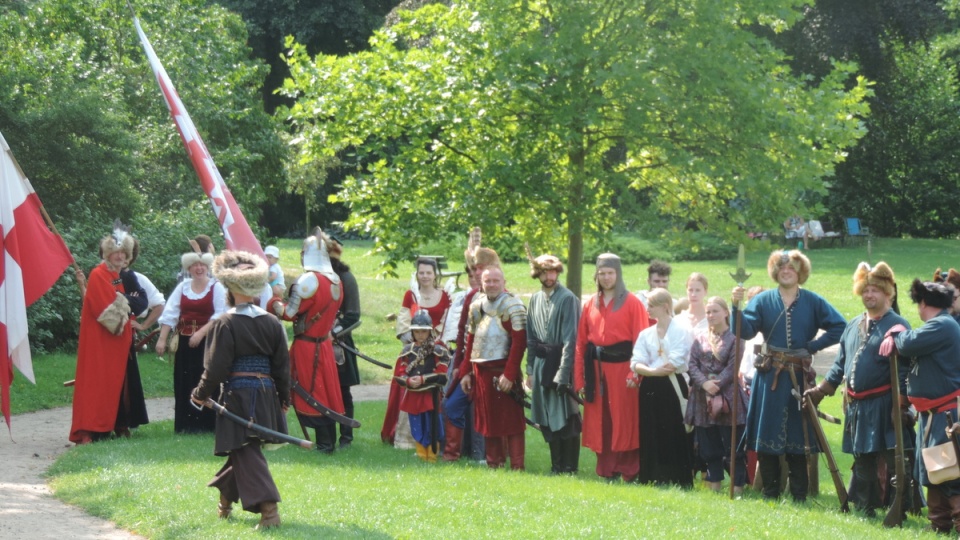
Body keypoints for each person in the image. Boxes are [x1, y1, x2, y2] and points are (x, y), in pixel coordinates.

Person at [731, 249, 845, 502]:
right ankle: (770, 494)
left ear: (800, 272)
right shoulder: (762, 301)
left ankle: (799, 496)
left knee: (799, 435)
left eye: (792, 267)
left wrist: (812, 346)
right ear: (775, 271)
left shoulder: (813, 301)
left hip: (798, 376)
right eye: (782, 267)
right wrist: (736, 307)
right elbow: (745, 331)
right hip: (769, 376)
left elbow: (840, 326)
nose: (786, 271)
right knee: (767, 433)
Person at [190, 250, 290, 530]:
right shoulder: (271, 321)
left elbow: (216, 368)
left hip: (239, 396)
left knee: (247, 452)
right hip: (266, 394)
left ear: (229, 289)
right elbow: (283, 367)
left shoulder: (225, 322)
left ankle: (269, 513)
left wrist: (200, 393)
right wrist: (284, 398)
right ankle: (225, 503)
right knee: (242, 450)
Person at [805, 262, 914, 517]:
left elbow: (905, 371)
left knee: (896, 460)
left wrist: (900, 405)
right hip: (858, 406)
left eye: (875, 290)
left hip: (886, 403)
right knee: (863, 459)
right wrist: (821, 391)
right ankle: (866, 508)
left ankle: (902, 508)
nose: (869, 295)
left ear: (888, 293)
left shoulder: (898, 325)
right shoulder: (853, 325)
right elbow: (840, 364)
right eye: (865, 290)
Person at [879, 279, 960, 533]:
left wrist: (895, 333)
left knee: (949, 474)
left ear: (923, 303)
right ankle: (939, 524)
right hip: (932, 414)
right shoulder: (941, 325)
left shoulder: (943, 325)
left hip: (945, 413)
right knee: (933, 471)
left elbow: (908, 343)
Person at [69, 222, 149, 444]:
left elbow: (139, 302)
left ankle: (113, 425)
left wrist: (124, 301)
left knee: (115, 384)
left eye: (124, 253)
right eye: (116, 253)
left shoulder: (122, 276)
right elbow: (105, 308)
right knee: (94, 383)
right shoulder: (98, 273)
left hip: (118, 341)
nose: (120, 256)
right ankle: (88, 429)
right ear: (107, 253)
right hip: (99, 340)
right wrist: (126, 302)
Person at [574, 253, 649, 481]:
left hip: (623, 370)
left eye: (610, 273)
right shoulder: (589, 305)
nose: (606, 278)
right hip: (596, 371)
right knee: (601, 420)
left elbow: (642, 342)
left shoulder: (633, 303)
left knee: (624, 419)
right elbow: (581, 344)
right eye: (602, 273)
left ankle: (629, 469)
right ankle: (606, 469)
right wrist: (579, 379)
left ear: (618, 274)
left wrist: (634, 374)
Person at [273, 227, 345, 454]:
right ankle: (327, 442)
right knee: (323, 391)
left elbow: (289, 314)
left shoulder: (308, 280)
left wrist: (272, 301)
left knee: (313, 392)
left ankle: (324, 444)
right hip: (323, 344)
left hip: (308, 346)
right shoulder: (336, 280)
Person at [460, 266, 528, 469]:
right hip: (481, 373)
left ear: (503, 282)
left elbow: (519, 343)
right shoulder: (476, 306)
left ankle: (517, 466)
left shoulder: (512, 306)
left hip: (503, 371)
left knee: (512, 422)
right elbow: (470, 342)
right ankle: (494, 463)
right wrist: (465, 372)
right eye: (487, 281)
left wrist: (509, 374)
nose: (491, 284)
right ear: (482, 283)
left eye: (495, 281)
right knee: (489, 420)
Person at [383, 257, 452, 448]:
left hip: (437, 353)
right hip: (413, 353)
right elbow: (404, 322)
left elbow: (447, 321)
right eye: (421, 272)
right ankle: (406, 439)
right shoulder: (411, 295)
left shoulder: (444, 295)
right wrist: (416, 344)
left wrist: (433, 343)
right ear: (417, 274)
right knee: (408, 391)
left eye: (429, 272)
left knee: (437, 391)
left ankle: (436, 438)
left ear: (435, 274)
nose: (425, 276)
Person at [157, 245, 227, 434]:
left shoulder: (216, 287)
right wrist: (162, 339)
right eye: (195, 265)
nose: (199, 268)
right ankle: (185, 425)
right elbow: (170, 313)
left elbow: (221, 315)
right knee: (184, 380)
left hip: (207, 343)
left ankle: (206, 424)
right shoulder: (183, 287)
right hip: (185, 343)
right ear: (189, 269)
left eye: (202, 265)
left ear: (208, 268)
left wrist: (200, 333)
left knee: (205, 380)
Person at [629, 288, 694, 487]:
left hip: (673, 385)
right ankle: (652, 475)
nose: (647, 309)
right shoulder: (646, 333)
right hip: (650, 386)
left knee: (674, 430)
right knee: (651, 430)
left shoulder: (681, 331)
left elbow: (675, 361)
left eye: (651, 305)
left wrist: (651, 371)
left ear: (664, 307)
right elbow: (636, 361)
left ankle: (677, 477)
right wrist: (651, 373)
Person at [525, 252, 581, 474]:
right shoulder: (535, 299)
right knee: (547, 415)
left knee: (567, 414)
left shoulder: (568, 299)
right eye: (544, 272)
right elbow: (531, 338)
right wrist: (530, 369)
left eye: (553, 271)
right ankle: (556, 466)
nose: (549, 276)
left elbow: (571, 339)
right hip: (540, 364)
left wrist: (564, 372)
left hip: (561, 363)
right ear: (537, 274)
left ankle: (570, 467)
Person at [685, 296, 748, 494]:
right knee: (708, 445)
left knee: (733, 446)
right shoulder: (700, 337)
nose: (711, 315)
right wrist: (704, 383)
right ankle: (714, 486)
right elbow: (692, 364)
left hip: (729, 397)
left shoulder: (736, 339)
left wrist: (716, 384)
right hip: (702, 397)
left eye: (715, 311)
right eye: (708, 312)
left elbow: (732, 367)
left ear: (726, 313)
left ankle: (737, 487)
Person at [443, 231, 497, 462]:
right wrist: (459, 366)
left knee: (485, 413)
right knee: (451, 405)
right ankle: (453, 454)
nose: (475, 272)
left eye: (479, 268)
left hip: (492, 366)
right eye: (474, 269)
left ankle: (483, 456)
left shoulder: (505, 298)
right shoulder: (471, 296)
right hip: (467, 365)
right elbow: (462, 333)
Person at [395, 309, 451, 462]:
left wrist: (422, 379)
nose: (420, 335)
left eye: (423, 332)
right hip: (413, 396)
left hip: (431, 396)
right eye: (417, 332)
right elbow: (400, 374)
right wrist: (408, 381)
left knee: (433, 427)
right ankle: (421, 455)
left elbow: (442, 376)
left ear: (430, 332)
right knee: (417, 426)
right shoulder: (408, 350)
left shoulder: (438, 350)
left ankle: (432, 457)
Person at [327, 235, 361, 449]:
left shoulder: (346, 278)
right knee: (322, 391)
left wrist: (333, 333)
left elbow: (352, 315)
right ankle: (326, 435)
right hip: (317, 343)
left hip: (338, 344)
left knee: (343, 392)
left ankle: (346, 437)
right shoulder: (314, 277)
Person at [679, 273, 709, 337]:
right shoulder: (680, 319)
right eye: (690, 290)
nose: (693, 294)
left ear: (705, 292)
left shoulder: (712, 318)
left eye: (698, 290)